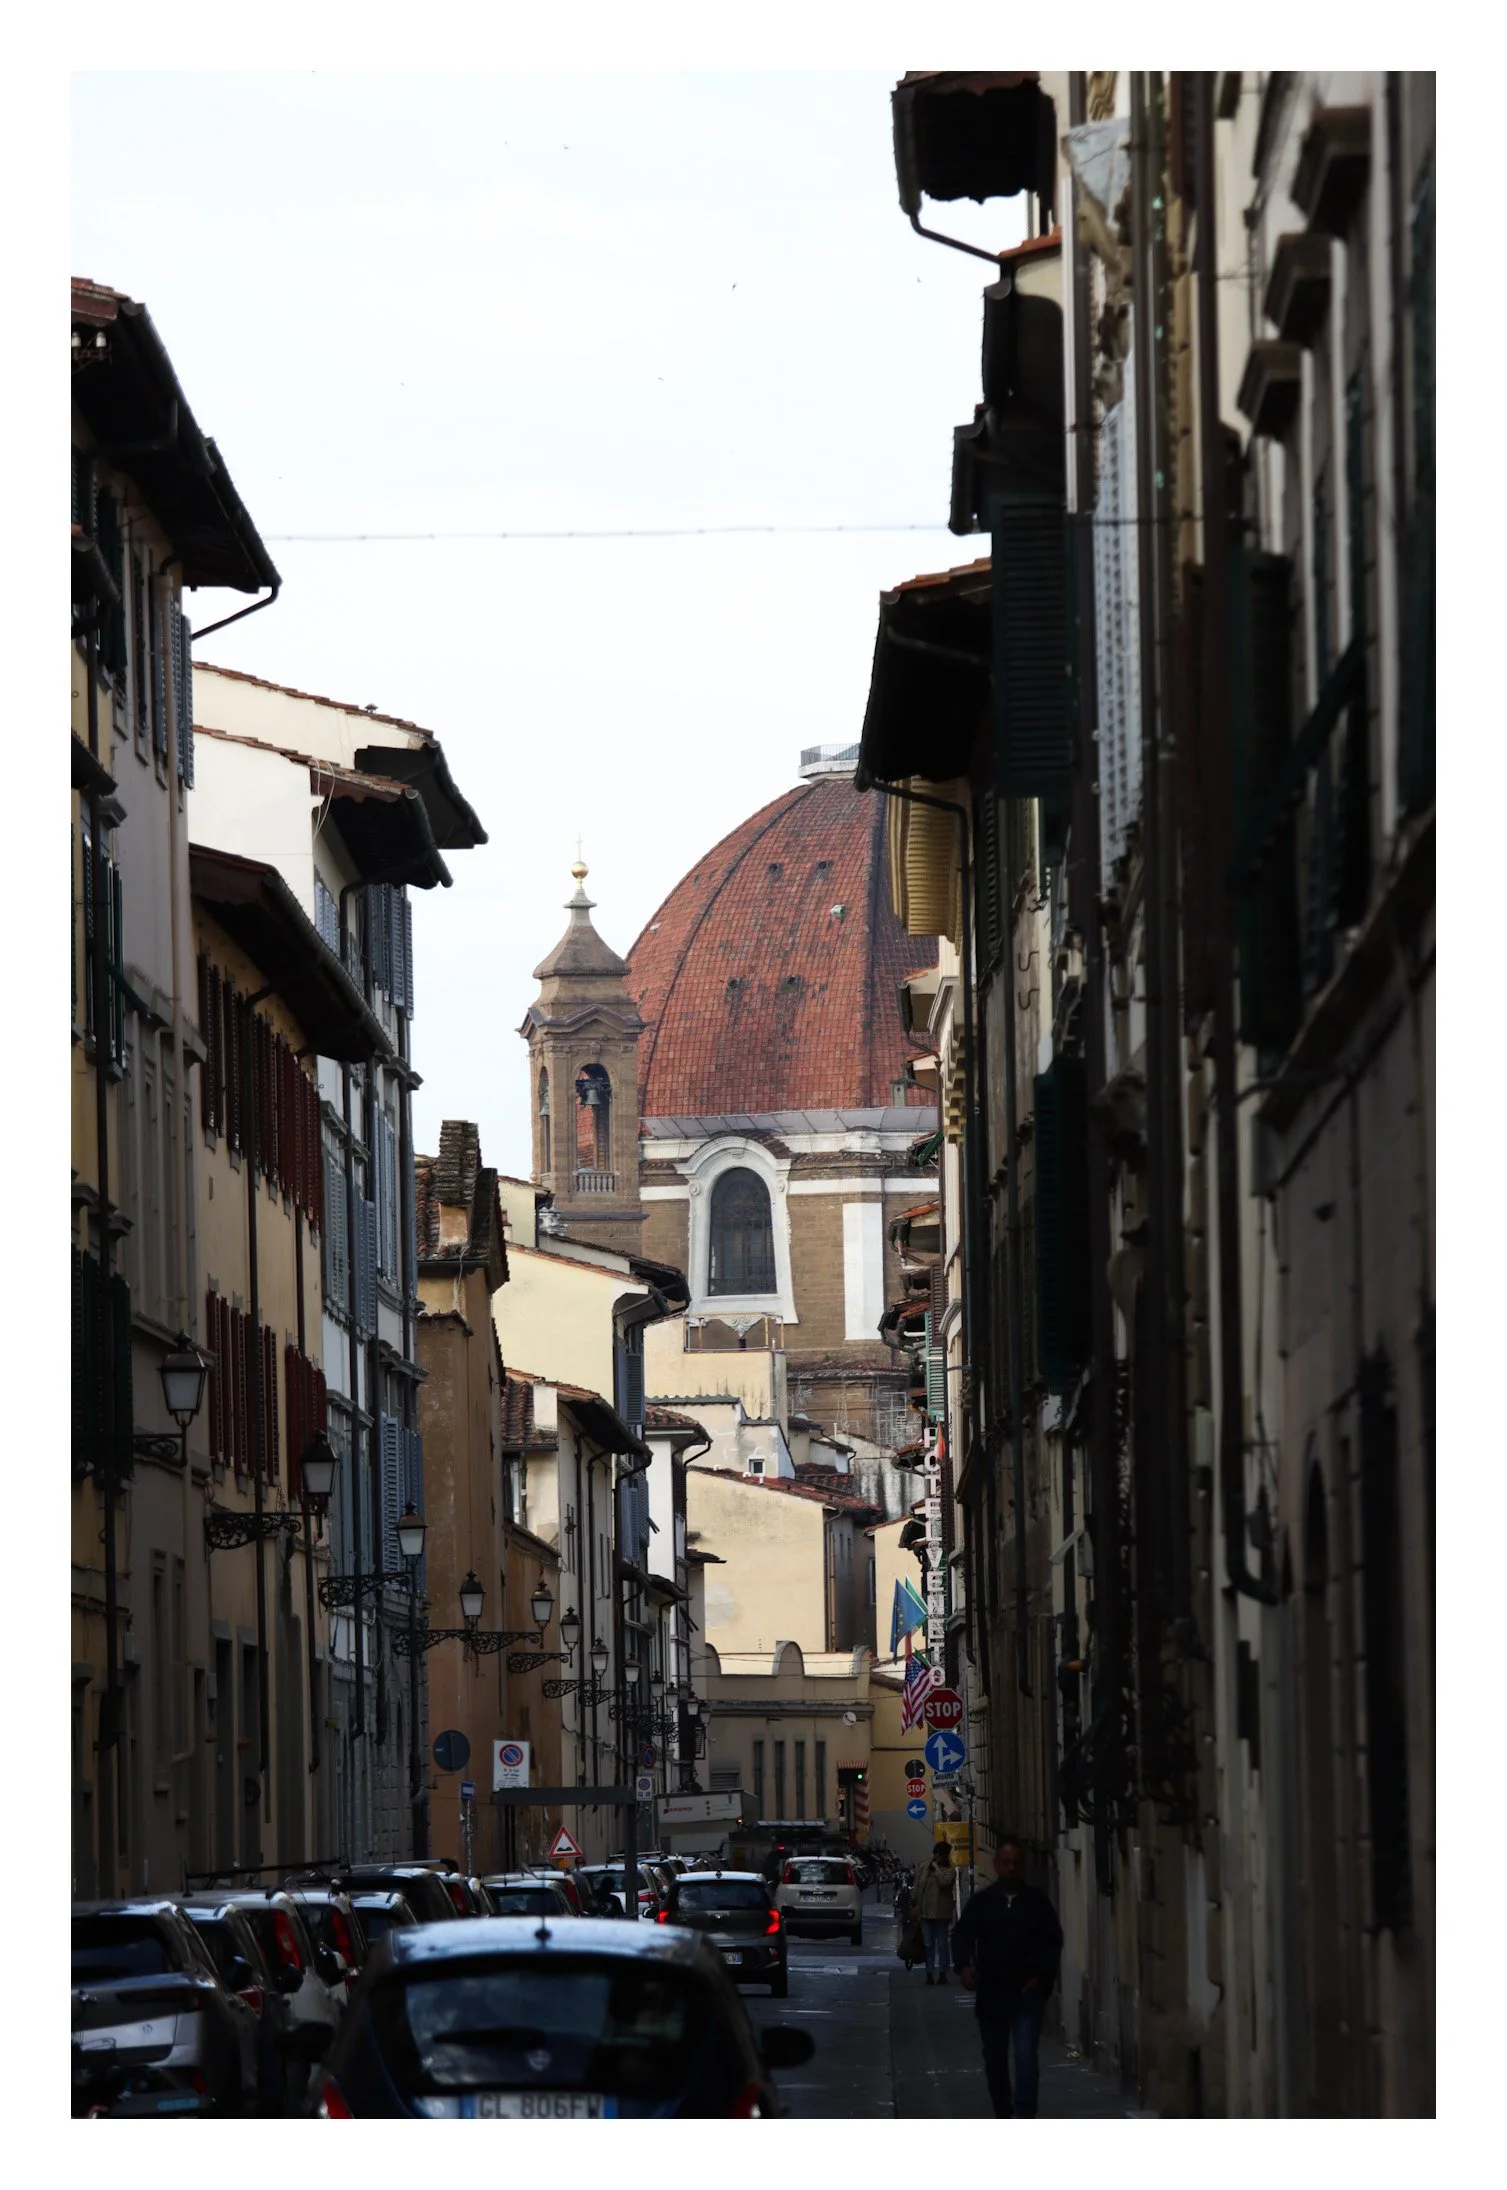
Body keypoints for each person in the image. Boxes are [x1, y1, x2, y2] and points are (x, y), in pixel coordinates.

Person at [950, 1835, 1064, 2118]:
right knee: (995, 2061)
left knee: (1026, 2058)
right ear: (997, 1865)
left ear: (1022, 1866)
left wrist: (1040, 1977)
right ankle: (1003, 2111)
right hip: (992, 1995)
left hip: (1026, 1994)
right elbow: (962, 1935)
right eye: (1006, 1863)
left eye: (1016, 1863)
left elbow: (1053, 1942)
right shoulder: (983, 1903)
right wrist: (964, 1966)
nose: (1011, 1868)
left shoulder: (1037, 1903)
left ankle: (1024, 2115)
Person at [913, 1841, 955, 1986]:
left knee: (942, 1944)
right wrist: (915, 1905)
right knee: (928, 1944)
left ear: (945, 1856)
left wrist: (936, 1868)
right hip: (925, 1913)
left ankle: (942, 1973)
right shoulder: (924, 1868)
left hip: (941, 1913)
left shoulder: (949, 1870)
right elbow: (918, 1887)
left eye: (940, 1854)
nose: (936, 1856)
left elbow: (944, 1882)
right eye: (935, 1853)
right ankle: (929, 1974)